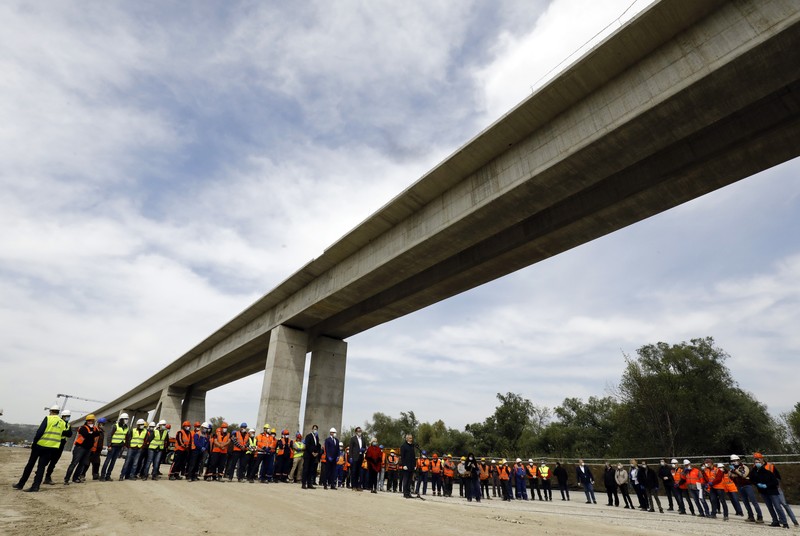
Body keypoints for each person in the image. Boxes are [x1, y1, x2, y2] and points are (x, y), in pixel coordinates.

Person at [13, 405, 70, 492]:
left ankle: (21, 484)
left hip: (40, 445)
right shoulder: (62, 422)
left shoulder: (48, 418)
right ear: (58, 412)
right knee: (41, 467)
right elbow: (65, 433)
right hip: (51, 447)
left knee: (30, 464)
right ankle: (35, 486)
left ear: (50, 411)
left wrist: (34, 442)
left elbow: (40, 431)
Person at [751, 452, 789, 528]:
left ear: (762, 460)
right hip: (763, 492)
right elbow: (752, 479)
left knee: (778, 507)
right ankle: (775, 521)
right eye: (755, 461)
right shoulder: (754, 471)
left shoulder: (768, 470)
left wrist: (766, 485)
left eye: (758, 461)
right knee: (770, 507)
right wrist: (757, 484)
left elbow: (775, 481)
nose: (757, 462)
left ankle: (784, 523)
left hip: (772, 491)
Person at [762, 453, 799, 527]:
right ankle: (781, 520)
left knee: (784, 504)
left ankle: (794, 521)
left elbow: (778, 477)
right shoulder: (757, 469)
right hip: (768, 490)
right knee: (776, 506)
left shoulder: (770, 466)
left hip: (776, 489)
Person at [64, 413, 99, 484]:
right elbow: (86, 435)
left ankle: (75, 478)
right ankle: (67, 479)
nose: (91, 422)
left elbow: (97, 434)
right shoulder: (83, 428)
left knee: (82, 464)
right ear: (87, 421)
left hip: (88, 449)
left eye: (92, 421)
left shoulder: (95, 428)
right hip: (80, 448)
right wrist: (92, 433)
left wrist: (91, 433)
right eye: (89, 421)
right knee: (74, 463)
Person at [730, 454, 763, 523]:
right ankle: (751, 516)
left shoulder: (743, 467)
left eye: (735, 460)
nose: (734, 462)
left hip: (747, 486)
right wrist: (734, 473)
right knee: (745, 502)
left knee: (754, 502)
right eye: (733, 461)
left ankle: (760, 516)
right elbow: (731, 476)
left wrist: (736, 472)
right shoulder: (732, 469)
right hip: (739, 486)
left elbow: (744, 475)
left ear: (738, 460)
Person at [44, 409, 73, 485]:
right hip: (54, 444)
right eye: (66, 416)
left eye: (68, 416)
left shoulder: (68, 425)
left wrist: (65, 433)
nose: (67, 418)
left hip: (61, 445)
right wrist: (65, 433)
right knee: (46, 461)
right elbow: (61, 432)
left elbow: (70, 434)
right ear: (63, 416)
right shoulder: (59, 423)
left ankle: (48, 477)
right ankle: (39, 474)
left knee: (53, 462)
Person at [100, 413, 128, 481]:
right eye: (125, 419)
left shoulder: (126, 427)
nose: (126, 420)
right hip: (113, 446)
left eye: (127, 419)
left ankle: (108, 476)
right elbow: (109, 436)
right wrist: (109, 445)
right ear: (121, 419)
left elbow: (125, 437)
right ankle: (102, 476)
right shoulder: (115, 426)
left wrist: (124, 445)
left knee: (113, 462)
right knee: (107, 461)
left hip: (119, 447)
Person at [302, 424, 321, 489]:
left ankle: (309, 483)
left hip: (313, 456)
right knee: (306, 469)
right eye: (314, 429)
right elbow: (308, 445)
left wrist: (317, 453)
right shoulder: (308, 436)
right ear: (312, 429)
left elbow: (318, 446)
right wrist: (312, 452)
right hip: (308, 455)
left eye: (316, 429)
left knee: (311, 470)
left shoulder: (317, 437)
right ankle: (304, 484)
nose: (315, 430)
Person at [349, 426, 366, 491]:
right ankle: (353, 486)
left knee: (359, 472)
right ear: (356, 432)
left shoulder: (363, 439)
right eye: (358, 431)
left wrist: (363, 450)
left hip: (360, 457)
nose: (359, 432)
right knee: (354, 472)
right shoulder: (353, 439)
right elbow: (351, 448)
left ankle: (358, 486)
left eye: (360, 431)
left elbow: (364, 447)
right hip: (354, 457)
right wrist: (350, 457)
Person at [400, 434, 416, 498]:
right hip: (406, 466)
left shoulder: (412, 446)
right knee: (406, 480)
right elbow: (402, 457)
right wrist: (403, 465)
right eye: (410, 438)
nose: (411, 439)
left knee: (410, 481)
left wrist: (414, 465)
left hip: (411, 466)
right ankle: (405, 493)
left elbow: (413, 456)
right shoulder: (403, 446)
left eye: (411, 438)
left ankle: (409, 493)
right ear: (407, 439)